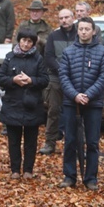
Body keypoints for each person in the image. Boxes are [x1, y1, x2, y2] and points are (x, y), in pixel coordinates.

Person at [58, 17, 104, 191]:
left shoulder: (102, 52)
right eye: (81, 29)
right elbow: (63, 76)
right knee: (71, 140)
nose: (83, 32)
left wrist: (88, 95)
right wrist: (75, 95)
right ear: (77, 30)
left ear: (93, 31)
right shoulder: (68, 51)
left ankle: (90, 178)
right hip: (71, 102)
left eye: (87, 29)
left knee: (93, 142)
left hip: (93, 103)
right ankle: (70, 176)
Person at [0, 30, 49, 179]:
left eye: (29, 42)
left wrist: (31, 80)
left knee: (30, 141)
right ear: (19, 41)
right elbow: (0, 78)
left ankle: (28, 170)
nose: (26, 44)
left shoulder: (38, 59)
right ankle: (15, 169)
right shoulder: (10, 57)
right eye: (23, 40)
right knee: (13, 140)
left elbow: (45, 80)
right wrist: (13, 80)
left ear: (33, 43)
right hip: (13, 103)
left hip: (32, 104)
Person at [40, 9, 76, 155]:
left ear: (72, 18)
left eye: (67, 17)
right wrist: (61, 70)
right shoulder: (53, 36)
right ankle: (50, 143)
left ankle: (76, 144)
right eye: (61, 18)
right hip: (56, 77)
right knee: (53, 111)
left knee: (75, 113)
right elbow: (48, 57)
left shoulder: (79, 35)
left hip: (75, 78)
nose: (64, 20)